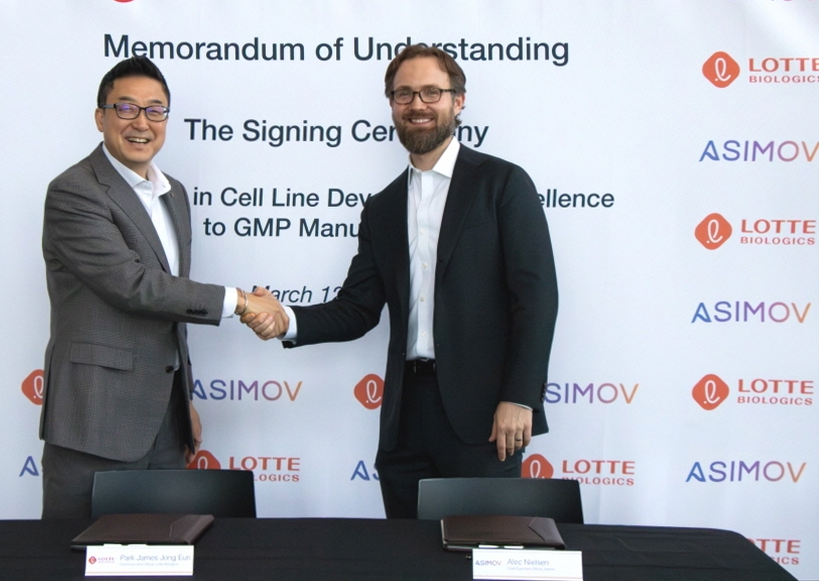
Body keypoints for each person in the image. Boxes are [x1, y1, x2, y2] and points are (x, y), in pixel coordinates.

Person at [246, 45, 558, 518]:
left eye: (432, 91)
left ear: (459, 100)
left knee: (483, 557)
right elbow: (356, 309)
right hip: (404, 420)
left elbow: (536, 299)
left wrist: (520, 396)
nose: (417, 104)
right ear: (391, 105)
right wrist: (285, 318)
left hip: (485, 417)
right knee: (406, 560)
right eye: (404, 94)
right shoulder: (382, 207)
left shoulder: (503, 184)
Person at [39, 56, 287, 518]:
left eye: (156, 111)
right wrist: (241, 302)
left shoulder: (174, 194)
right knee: (73, 558)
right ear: (101, 117)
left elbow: (172, 306)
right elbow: (135, 287)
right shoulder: (75, 191)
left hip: (165, 427)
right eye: (127, 108)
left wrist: (181, 404)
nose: (142, 123)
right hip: (95, 419)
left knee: (162, 555)